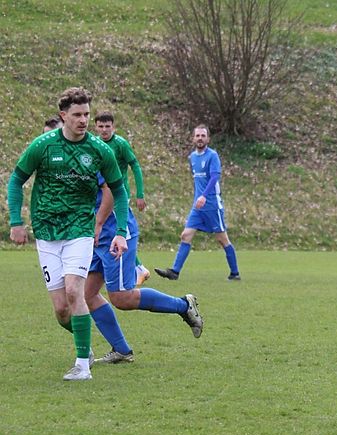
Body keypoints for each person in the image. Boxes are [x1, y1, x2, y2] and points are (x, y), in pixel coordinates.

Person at [6, 87, 130, 381]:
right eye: (77, 115)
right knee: (62, 310)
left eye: (86, 114)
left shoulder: (100, 150)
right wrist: (16, 222)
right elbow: (16, 180)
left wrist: (120, 231)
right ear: (63, 116)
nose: (84, 120)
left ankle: (82, 367)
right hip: (47, 232)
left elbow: (119, 191)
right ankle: (85, 347)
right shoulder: (43, 145)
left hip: (80, 230)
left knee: (75, 291)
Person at [85, 170, 204, 365]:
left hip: (115, 233)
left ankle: (184, 305)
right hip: (94, 236)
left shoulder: (93, 157)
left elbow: (112, 191)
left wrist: (99, 223)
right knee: (88, 294)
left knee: (121, 297)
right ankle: (121, 350)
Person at [155, 124, 241, 281]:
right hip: (198, 206)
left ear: (208, 139)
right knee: (185, 235)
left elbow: (214, 177)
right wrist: (198, 198)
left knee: (222, 239)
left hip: (212, 205)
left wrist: (204, 196)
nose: (200, 138)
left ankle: (235, 273)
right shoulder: (192, 157)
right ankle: (174, 272)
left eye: (203, 136)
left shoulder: (212, 156)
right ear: (193, 138)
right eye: (197, 136)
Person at [94, 111, 151, 285]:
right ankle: (137, 268)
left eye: (107, 126)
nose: (104, 130)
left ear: (113, 127)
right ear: (96, 127)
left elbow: (135, 165)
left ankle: (138, 268)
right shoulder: (94, 144)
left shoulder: (120, 144)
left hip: (119, 195)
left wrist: (140, 194)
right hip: (103, 195)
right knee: (112, 232)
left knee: (121, 233)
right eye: (101, 126)